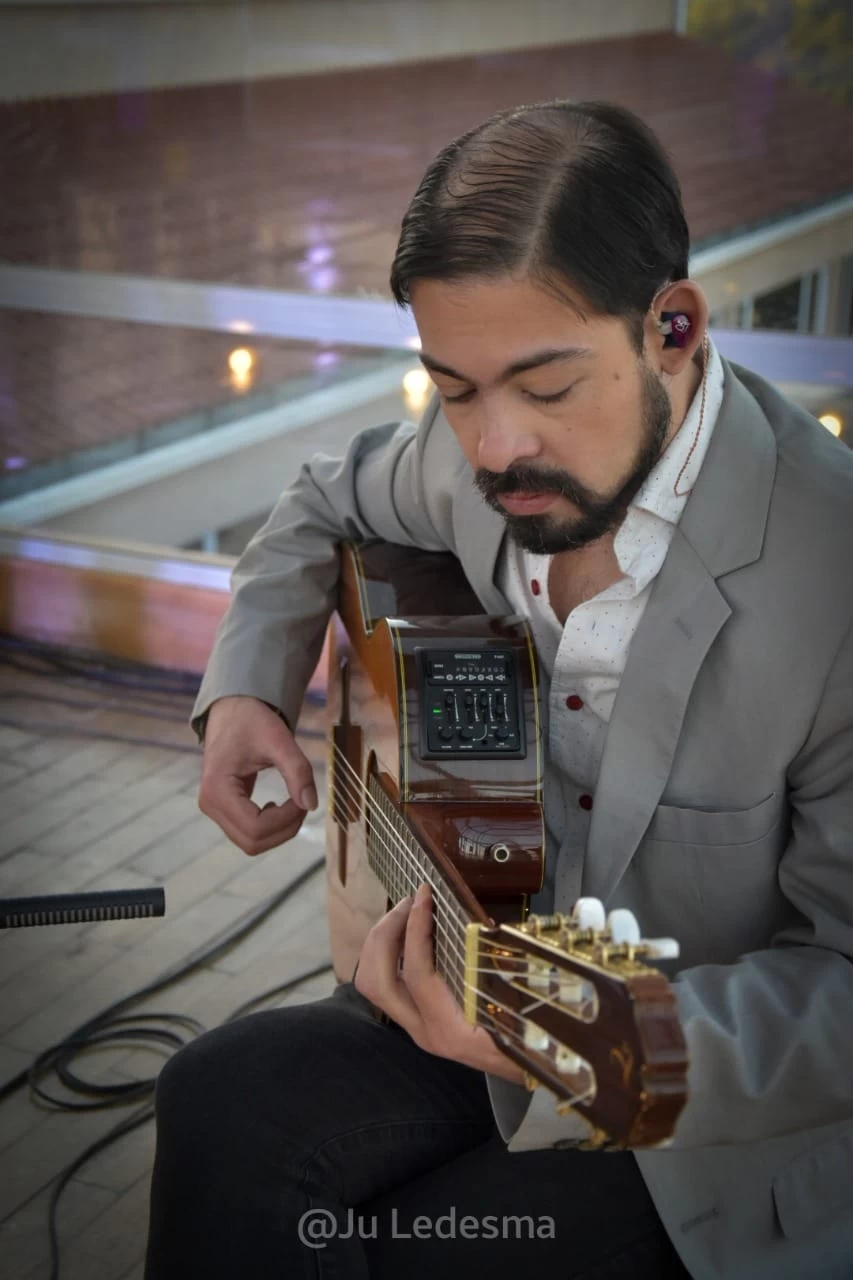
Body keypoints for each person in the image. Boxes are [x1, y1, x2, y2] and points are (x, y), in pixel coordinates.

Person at [143, 100, 853, 1280]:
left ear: (671, 326)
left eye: (543, 382)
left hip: (708, 1118)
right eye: (454, 386)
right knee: (216, 1093)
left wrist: (583, 1033)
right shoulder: (485, 458)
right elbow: (323, 498)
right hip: (484, 996)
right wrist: (244, 687)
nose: (490, 445)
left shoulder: (834, 575)